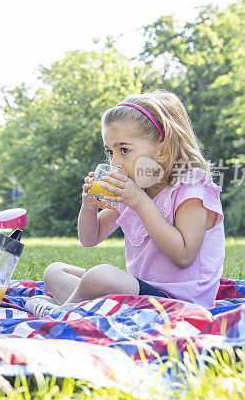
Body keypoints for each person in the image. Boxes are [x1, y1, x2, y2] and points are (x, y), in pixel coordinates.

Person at [25, 91, 224, 315]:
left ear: (162, 151)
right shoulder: (135, 187)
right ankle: (76, 309)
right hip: (142, 294)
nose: (115, 162)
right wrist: (89, 206)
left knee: (101, 276)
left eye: (125, 150)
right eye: (110, 152)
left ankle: (61, 314)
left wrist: (140, 202)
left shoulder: (190, 188)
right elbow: (90, 239)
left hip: (180, 303)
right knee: (55, 271)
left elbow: (184, 257)